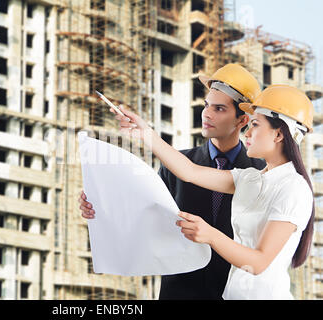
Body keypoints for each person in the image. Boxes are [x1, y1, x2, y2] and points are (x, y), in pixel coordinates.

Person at [109, 84, 315, 299]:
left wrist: (210, 235)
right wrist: (145, 133)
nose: (248, 132)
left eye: (255, 124)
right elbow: (189, 171)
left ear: (279, 134)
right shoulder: (252, 178)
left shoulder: (294, 188)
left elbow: (259, 262)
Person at [79, 64, 266, 299]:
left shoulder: (260, 174)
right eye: (207, 105)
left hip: (236, 292)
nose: (207, 114)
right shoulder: (176, 163)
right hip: (179, 291)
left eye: (219, 109)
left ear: (242, 120)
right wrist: (100, 207)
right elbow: (146, 216)